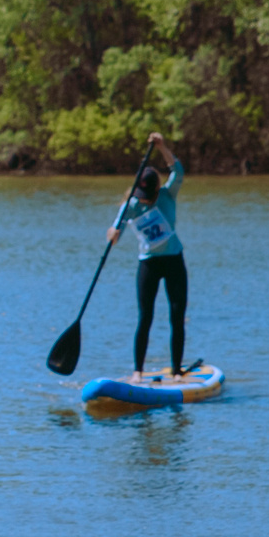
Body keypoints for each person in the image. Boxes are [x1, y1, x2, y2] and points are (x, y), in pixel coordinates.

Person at [107, 134, 192, 376]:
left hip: (173, 260)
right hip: (149, 264)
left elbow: (178, 171)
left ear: (156, 188)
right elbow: (114, 234)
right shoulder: (131, 204)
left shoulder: (167, 194)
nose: (144, 201)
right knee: (145, 318)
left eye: (148, 196)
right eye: (141, 196)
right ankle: (138, 372)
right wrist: (113, 234)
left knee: (177, 316)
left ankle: (176, 371)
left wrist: (162, 147)